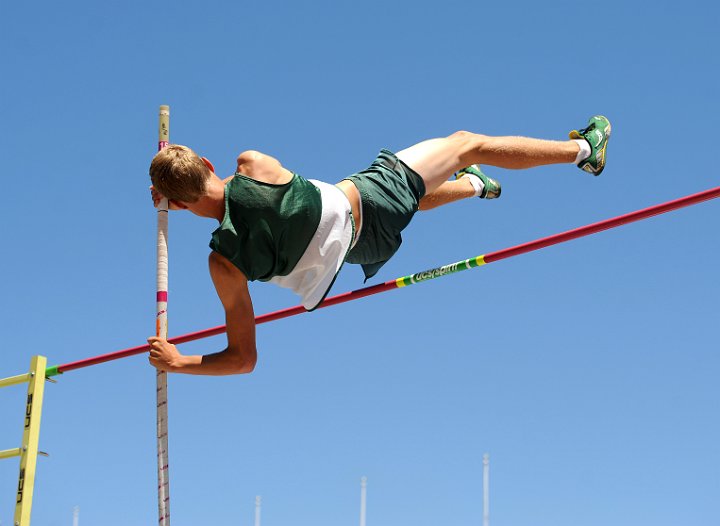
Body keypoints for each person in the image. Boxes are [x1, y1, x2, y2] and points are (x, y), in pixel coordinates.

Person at [147, 116, 611, 375]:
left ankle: (473, 188)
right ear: (208, 162)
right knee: (466, 141)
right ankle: (586, 153)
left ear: (180, 207)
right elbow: (238, 195)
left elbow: (243, 359)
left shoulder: (223, 264)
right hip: (367, 201)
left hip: (364, 252)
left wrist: (177, 361)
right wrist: (182, 189)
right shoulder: (252, 163)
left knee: (413, 190)